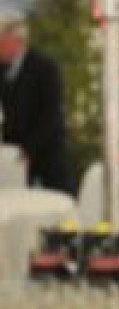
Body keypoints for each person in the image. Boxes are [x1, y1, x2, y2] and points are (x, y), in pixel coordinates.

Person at [0, 18, 72, 193]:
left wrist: (29, 149)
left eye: (1, 43)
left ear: (15, 41)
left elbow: (50, 115)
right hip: (16, 157)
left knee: (57, 201)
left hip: (47, 153)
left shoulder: (45, 68)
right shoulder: (2, 69)